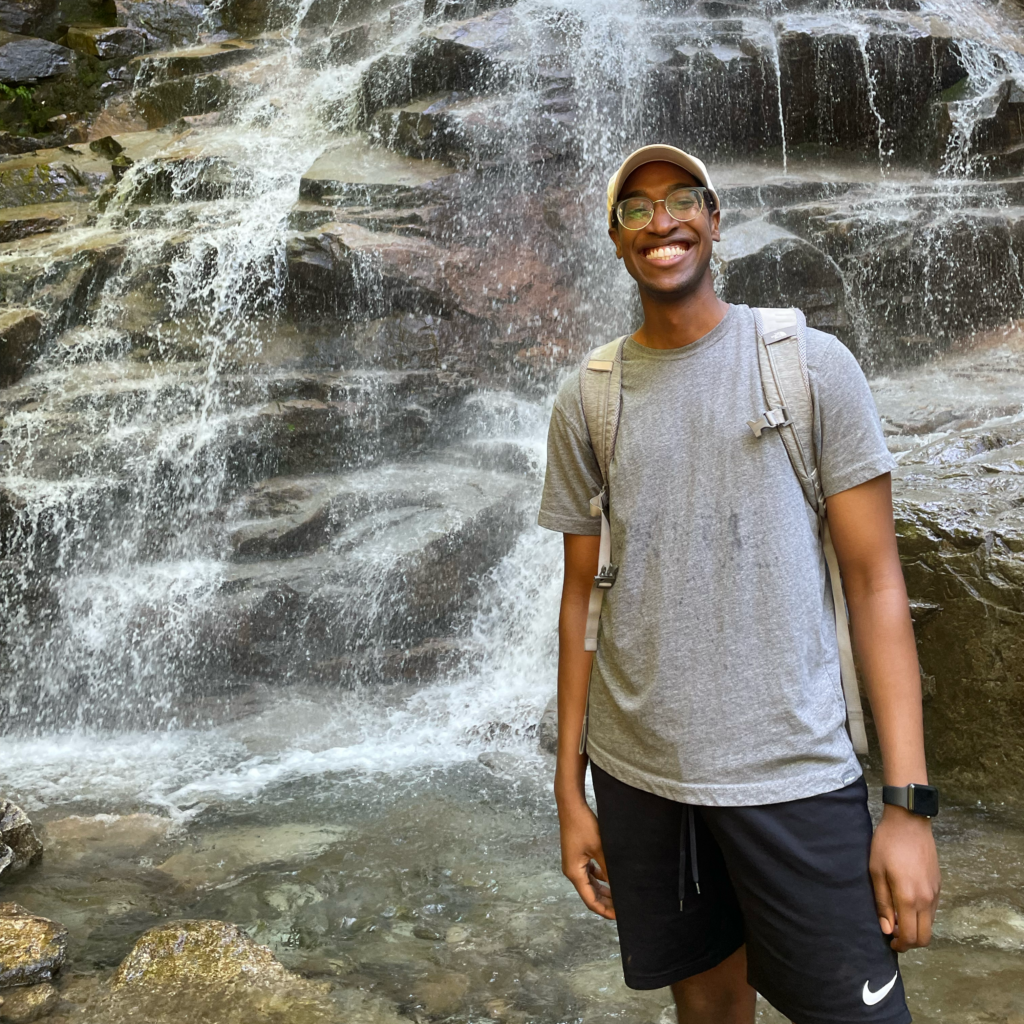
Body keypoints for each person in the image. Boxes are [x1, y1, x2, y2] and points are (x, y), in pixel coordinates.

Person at [537, 145, 941, 1024]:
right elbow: (580, 604)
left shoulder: (810, 365)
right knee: (710, 1011)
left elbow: (876, 582)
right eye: (636, 211)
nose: (662, 223)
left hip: (793, 774)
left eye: (681, 201)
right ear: (616, 241)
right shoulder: (590, 398)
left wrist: (908, 806)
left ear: (715, 222)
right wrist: (571, 793)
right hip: (642, 779)